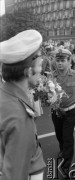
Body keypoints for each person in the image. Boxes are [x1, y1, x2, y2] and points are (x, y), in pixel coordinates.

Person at [0, 30, 46, 180]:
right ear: (28, 71)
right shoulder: (19, 115)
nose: (41, 71)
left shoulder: (5, 95)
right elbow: (15, 174)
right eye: (40, 66)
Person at [51, 48, 75, 178]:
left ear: (69, 61)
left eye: (63, 60)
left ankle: (66, 166)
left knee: (68, 137)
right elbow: (49, 95)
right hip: (56, 111)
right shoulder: (51, 76)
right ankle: (62, 149)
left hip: (71, 111)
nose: (60, 63)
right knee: (59, 134)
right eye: (58, 60)